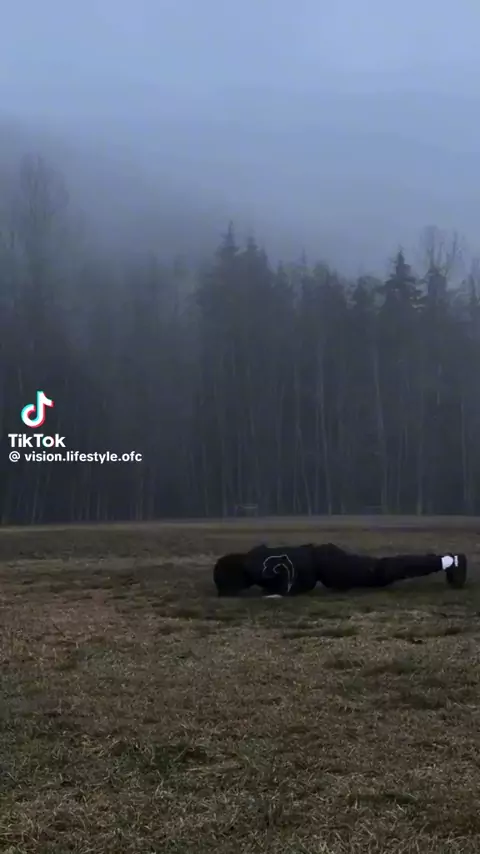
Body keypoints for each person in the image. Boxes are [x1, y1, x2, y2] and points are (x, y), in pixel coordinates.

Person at [213, 542, 467, 597]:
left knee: (382, 571)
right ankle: (446, 562)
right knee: (382, 572)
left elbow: (289, 567)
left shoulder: (255, 565)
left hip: (327, 564)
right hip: (327, 564)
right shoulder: (256, 561)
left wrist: (283, 593)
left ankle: (449, 561)